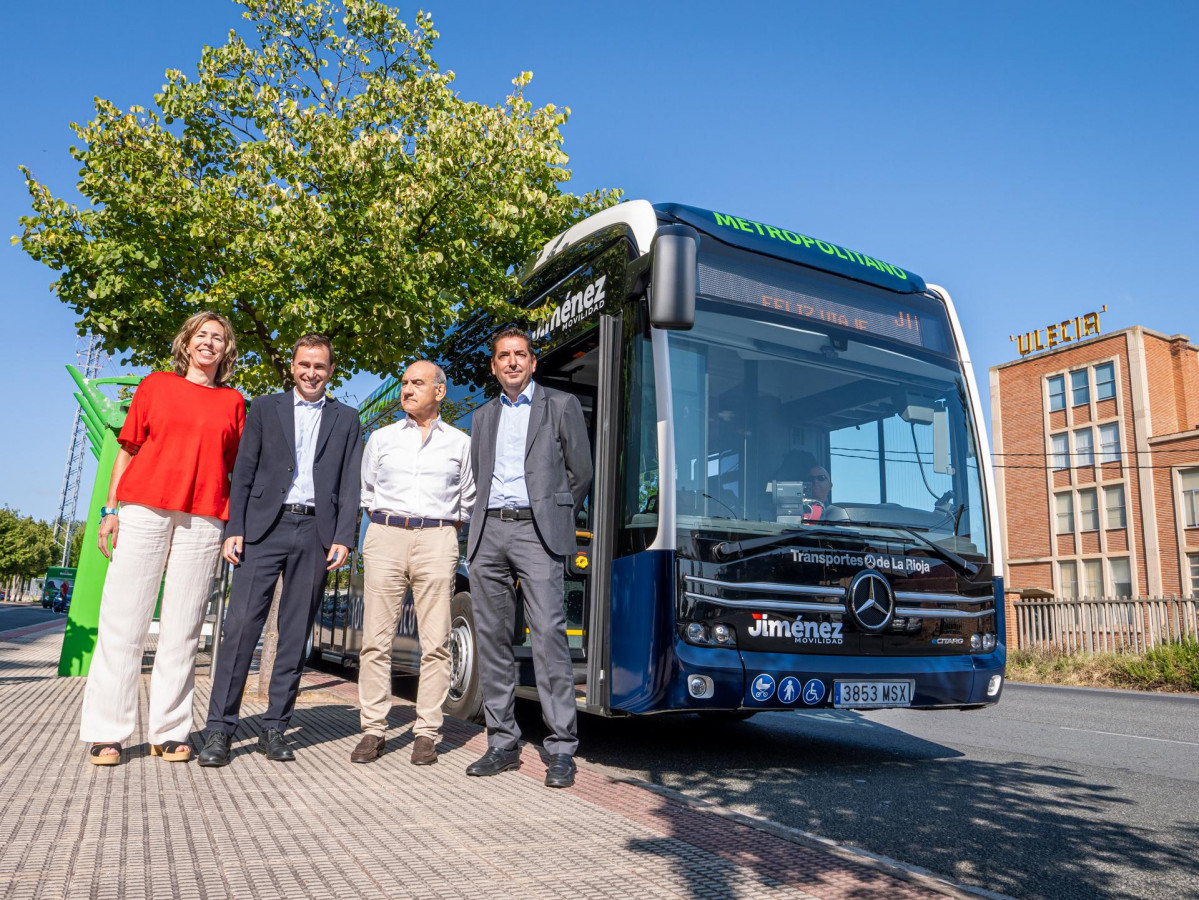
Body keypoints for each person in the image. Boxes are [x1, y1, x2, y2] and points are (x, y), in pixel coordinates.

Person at [80, 311, 245, 766]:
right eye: (202, 336)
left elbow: (231, 465)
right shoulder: (155, 385)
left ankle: (170, 731)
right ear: (187, 343)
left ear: (226, 351)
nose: (209, 343)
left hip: (205, 517)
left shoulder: (234, 402)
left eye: (218, 338)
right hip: (144, 509)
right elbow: (128, 450)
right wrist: (110, 511)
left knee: (184, 628)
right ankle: (107, 733)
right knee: (123, 622)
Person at [198, 334, 363, 767]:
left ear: (331, 371)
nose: (312, 373)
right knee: (239, 630)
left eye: (320, 366)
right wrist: (235, 528)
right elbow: (244, 470)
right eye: (305, 364)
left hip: (316, 533)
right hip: (263, 529)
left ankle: (275, 727)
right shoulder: (264, 409)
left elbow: (350, 484)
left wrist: (345, 536)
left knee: (294, 634)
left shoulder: (347, 419)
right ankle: (219, 730)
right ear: (292, 366)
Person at [465, 326, 592, 788]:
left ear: (533, 362)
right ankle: (501, 742)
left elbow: (581, 472)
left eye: (521, 355)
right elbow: (480, 475)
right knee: (493, 640)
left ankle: (561, 748)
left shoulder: (560, 405)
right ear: (495, 366)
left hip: (538, 534)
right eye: (504, 356)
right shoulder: (482, 417)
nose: (513, 362)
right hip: (489, 530)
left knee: (548, 638)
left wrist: (554, 513)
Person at [351, 361, 476, 766]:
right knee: (375, 641)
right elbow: (366, 492)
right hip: (385, 534)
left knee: (436, 642)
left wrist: (441, 531)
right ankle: (373, 729)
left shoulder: (460, 443)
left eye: (416, 383)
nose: (407, 389)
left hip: (438, 538)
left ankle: (426, 732)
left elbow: (468, 500)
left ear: (439, 392)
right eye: (404, 382)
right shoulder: (381, 439)